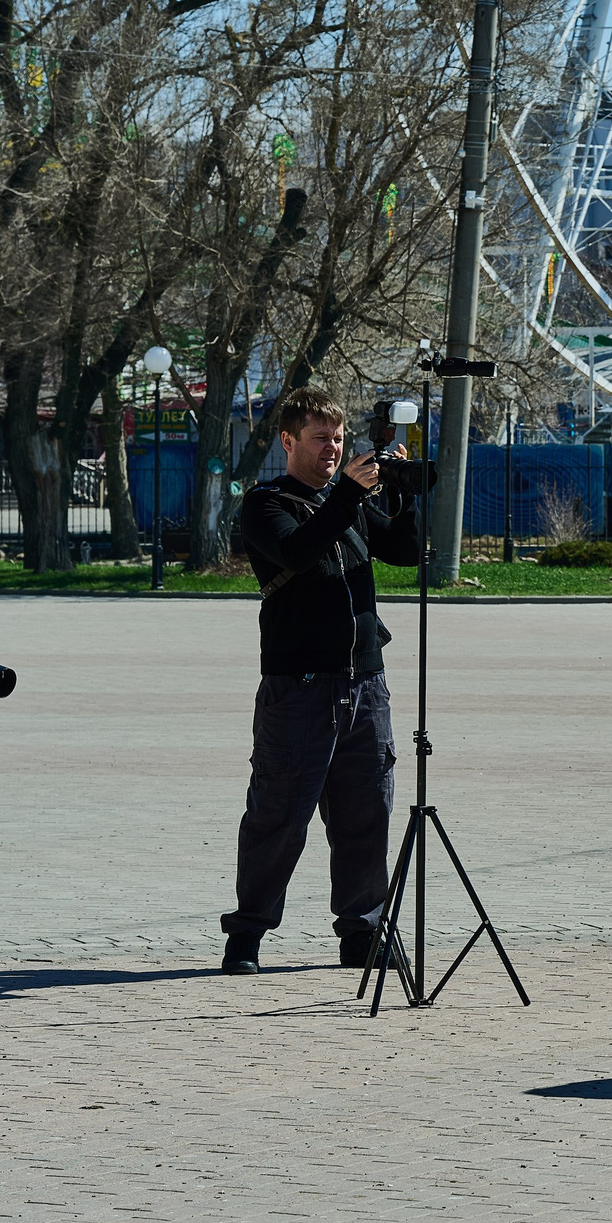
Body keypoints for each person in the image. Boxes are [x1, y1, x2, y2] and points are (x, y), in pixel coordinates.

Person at [220, 386, 422, 975]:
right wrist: (350, 494)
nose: (332, 449)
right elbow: (297, 552)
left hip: (365, 684)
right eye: (319, 439)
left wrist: (403, 492)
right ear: (288, 441)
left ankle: (362, 932)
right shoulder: (266, 504)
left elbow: (407, 551)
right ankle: (247, 934)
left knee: (367, 814)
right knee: (279, 815)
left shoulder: (345, 502)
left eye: (337, 438)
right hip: (299, 686)